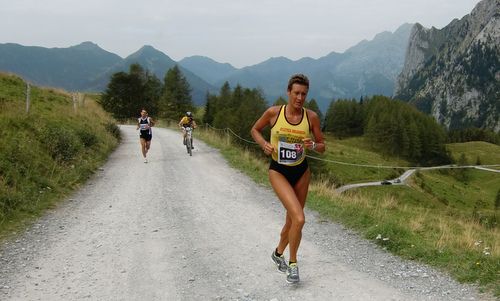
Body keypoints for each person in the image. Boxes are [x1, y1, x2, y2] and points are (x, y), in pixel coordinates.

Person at [250, 74, 325, 283]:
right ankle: (293, 264)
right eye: (296, 93)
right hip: (279, 171)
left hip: (301, 172)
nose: (300, 98)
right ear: (288, 92)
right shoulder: (274, 113)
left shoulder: (311, 117)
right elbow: (255, 129)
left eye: (304, 94)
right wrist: (264, 144)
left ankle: (277, 253)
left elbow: (322, 146)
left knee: (292, 221)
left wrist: (313, 146)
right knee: (300, 218)